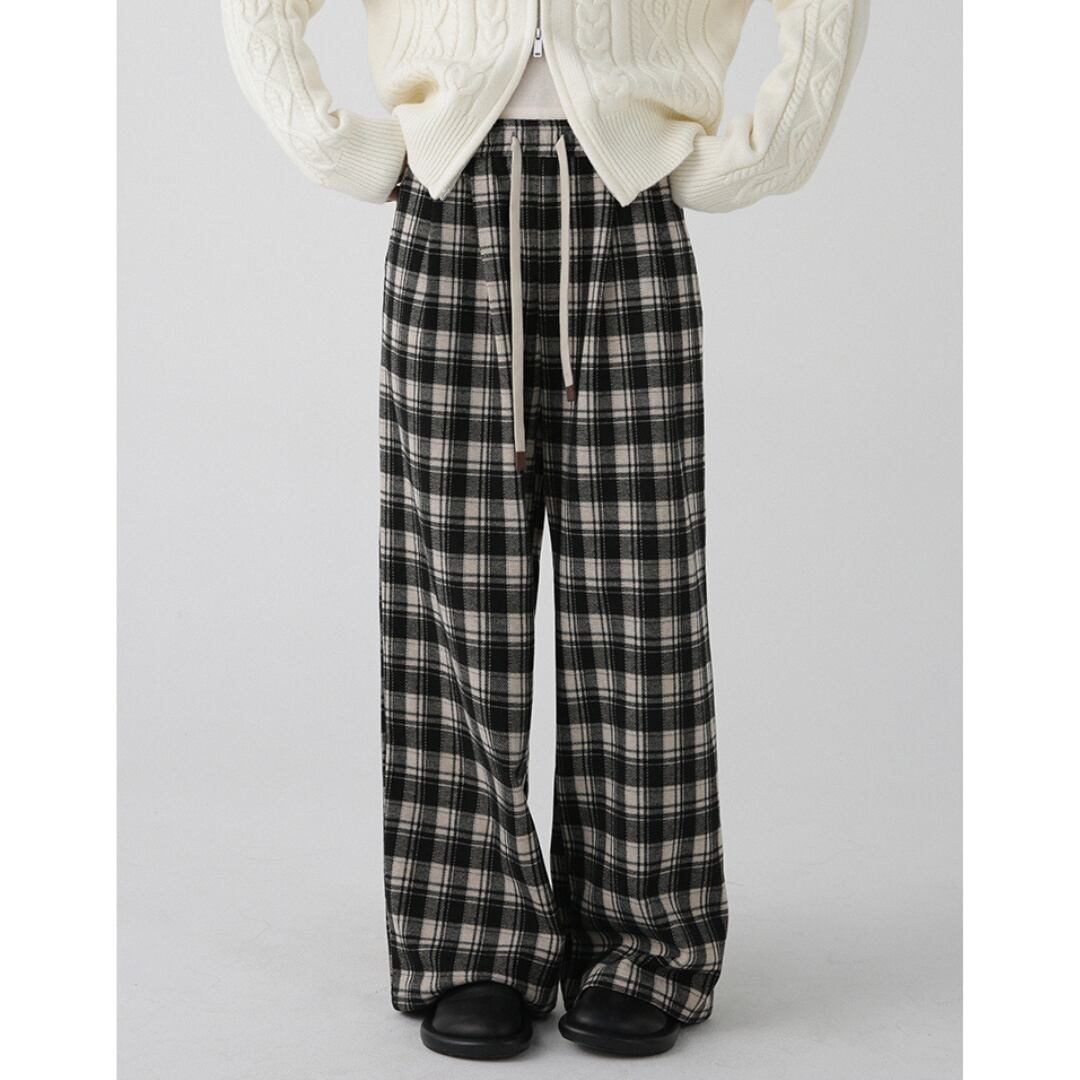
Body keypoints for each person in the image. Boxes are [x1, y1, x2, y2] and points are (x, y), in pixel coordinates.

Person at [220, 0, 870, 1060]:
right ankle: (472, 935)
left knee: (641, 603)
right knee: (452, 595)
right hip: (447, 202)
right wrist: (331, 142)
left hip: (629, 202)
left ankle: (644, 938)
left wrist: (767, 150)